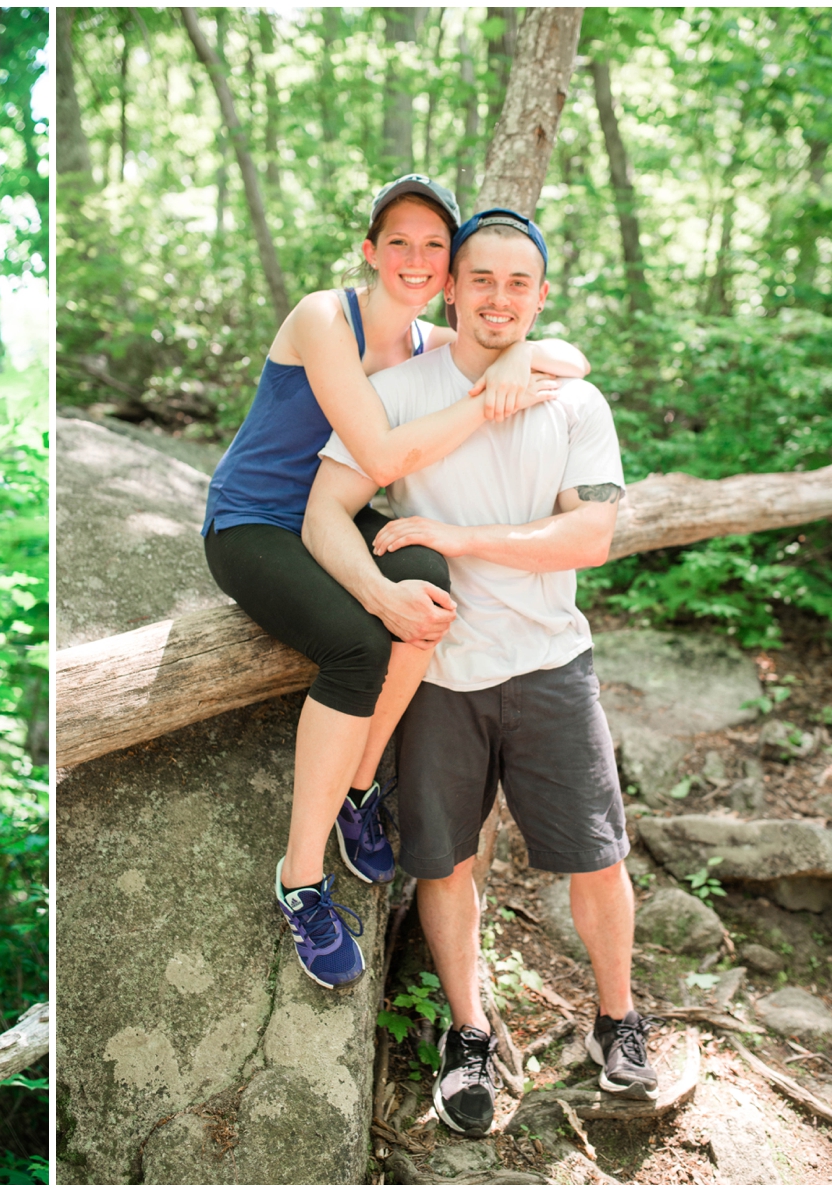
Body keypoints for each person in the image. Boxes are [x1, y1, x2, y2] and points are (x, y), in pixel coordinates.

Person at [307, 208, 653, 1139]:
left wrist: (455, 540)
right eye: (481, 279)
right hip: (439, 675)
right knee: (444, 862)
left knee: (598, 855)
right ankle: (467, 1036)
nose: (498, 298)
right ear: (450, 288)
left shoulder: (573, 400)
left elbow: (592, 534)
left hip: (551, 662)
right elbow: (330, 505)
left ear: (542, 297)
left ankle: (617, 1020)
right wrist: (378, 594)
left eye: (518, 283)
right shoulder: (400, 386)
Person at [200, 175, 590, 992]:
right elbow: (379, 461)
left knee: (426, 579)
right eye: (399, 242)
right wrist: (488, 397)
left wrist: (518, 351)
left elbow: (566, 355)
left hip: (337, 518)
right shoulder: (323, 318)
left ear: (447, 272)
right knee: (358, 642)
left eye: (433, 246)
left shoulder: (423, 344)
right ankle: (301, 880)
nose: (415, 259)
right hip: (257, 524)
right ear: (370, 251)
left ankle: (355, 786)